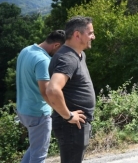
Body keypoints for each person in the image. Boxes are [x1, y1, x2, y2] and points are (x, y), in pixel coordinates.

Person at [46, 16, 96, 163]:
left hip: (77, 126)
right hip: (71, 126)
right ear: (77, 35)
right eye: (90, 33)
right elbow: (53, 90)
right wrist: (68, 116)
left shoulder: (79, 55)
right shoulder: (67, 58)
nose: (93, 36)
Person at [15, 30, 65, 163]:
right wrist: (61, 111)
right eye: (61, 50)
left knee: (34, 148)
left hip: (23, 110)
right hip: (38, 114)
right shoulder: (43, 61)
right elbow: (46, 91)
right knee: (39, 156)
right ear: (56, 45)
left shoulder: (26, 50)